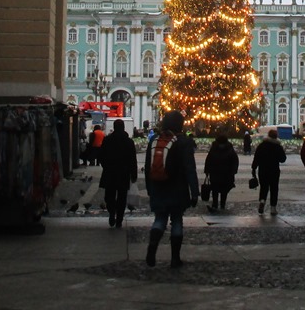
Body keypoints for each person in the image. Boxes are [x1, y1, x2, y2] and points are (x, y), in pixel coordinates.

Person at [144, 110, 199, 268]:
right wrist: (194, 192)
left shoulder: (155, 140)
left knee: (159, 219)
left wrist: (149, 188)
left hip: (158, 187)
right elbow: (190, 168)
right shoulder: (184, 142)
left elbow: (148, 166)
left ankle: (152, 246)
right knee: (177, 221)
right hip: (178, 189)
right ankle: (175, 258)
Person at [98, 118, 138, 227]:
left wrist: (105, 165)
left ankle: (112, 212)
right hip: (123, 173)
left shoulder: (107, 140)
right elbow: (132, 160)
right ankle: (119, 219)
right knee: (122, 197)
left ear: (114, 128)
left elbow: (101, 155)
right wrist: (134, 174)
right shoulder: (129, 142)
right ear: (123, 128)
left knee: (109, 196)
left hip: (110, 172)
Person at [252, 128, 287, 215]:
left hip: (263, 170)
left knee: (264, 187)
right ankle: (273, 208)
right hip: (274, 170)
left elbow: (256, 157)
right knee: (274, 188)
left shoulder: (262, 145)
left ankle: (262, 201)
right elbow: (283, 159)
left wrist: (254, 168)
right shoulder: (278, 146)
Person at [203, 133, 239, 212]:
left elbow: (234, 161)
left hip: (224, 174)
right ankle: (215, 204)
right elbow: (209, 160)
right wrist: (207, 170)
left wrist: (233, 171)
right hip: (218, 173)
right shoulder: (227, 149)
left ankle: (221, 205)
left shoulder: (227, 149)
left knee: (223, 191)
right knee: (215, 190)